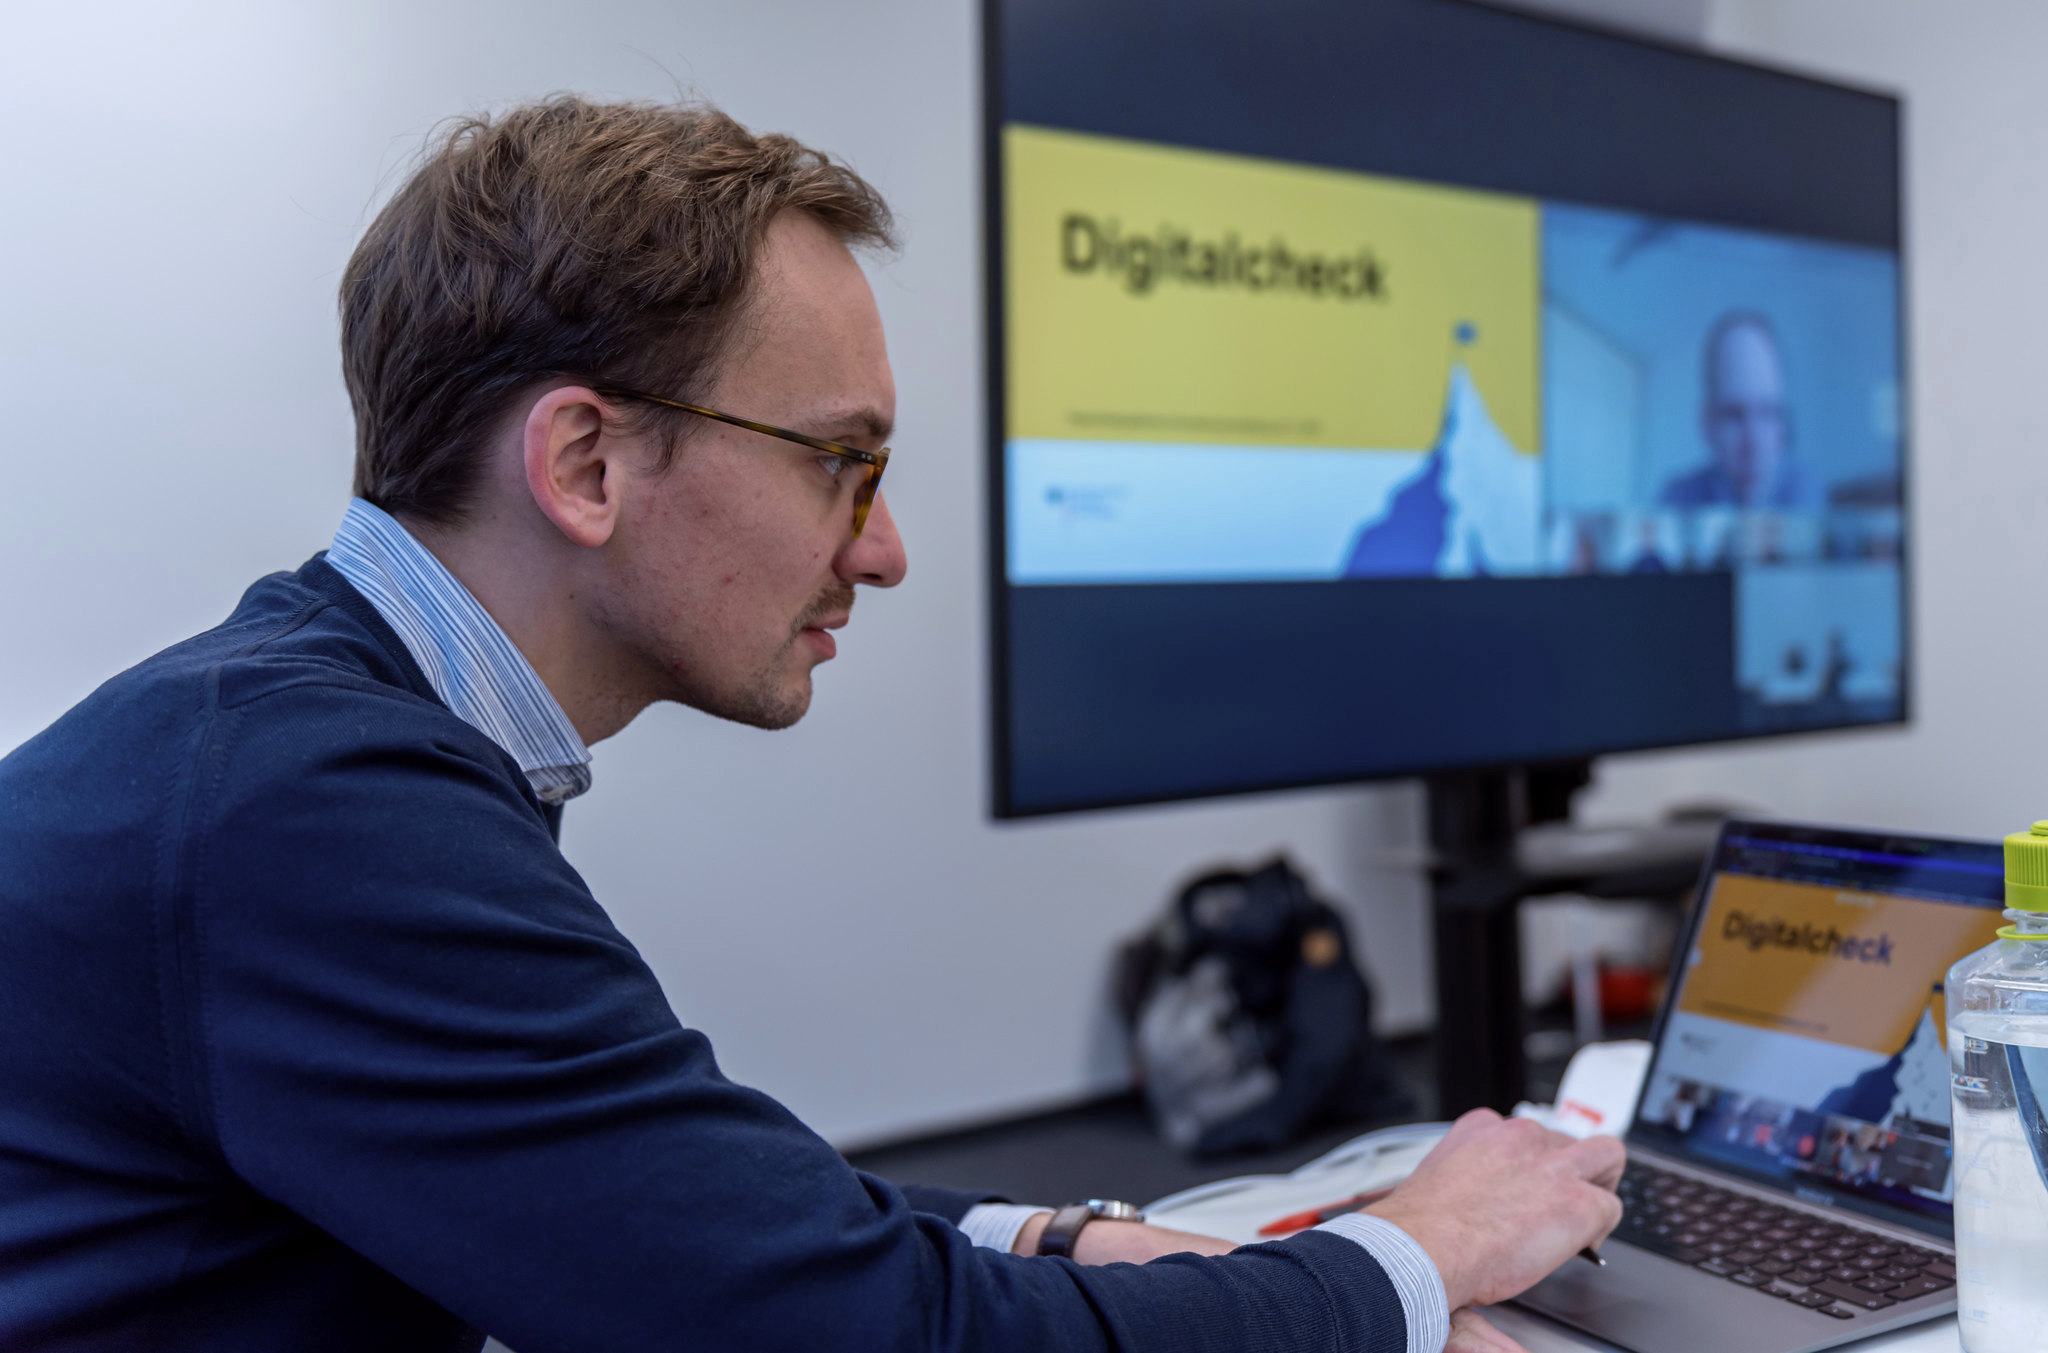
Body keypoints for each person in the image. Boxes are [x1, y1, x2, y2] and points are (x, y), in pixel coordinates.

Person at [0, 98, 1622, 1353]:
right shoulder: (313, 811)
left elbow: (671, 1200)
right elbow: (837, 1333)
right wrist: (1410, 1255)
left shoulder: (287, 733)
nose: (885, 543)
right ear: (583, 466)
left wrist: (1052, 1236)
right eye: (837, 460)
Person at [1660, 310, 1817, 511]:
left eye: (1768, 413)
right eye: (1734, 415)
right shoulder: (1676, 502)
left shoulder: (1811, 497)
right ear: (1707, 424)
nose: (1754, 444)